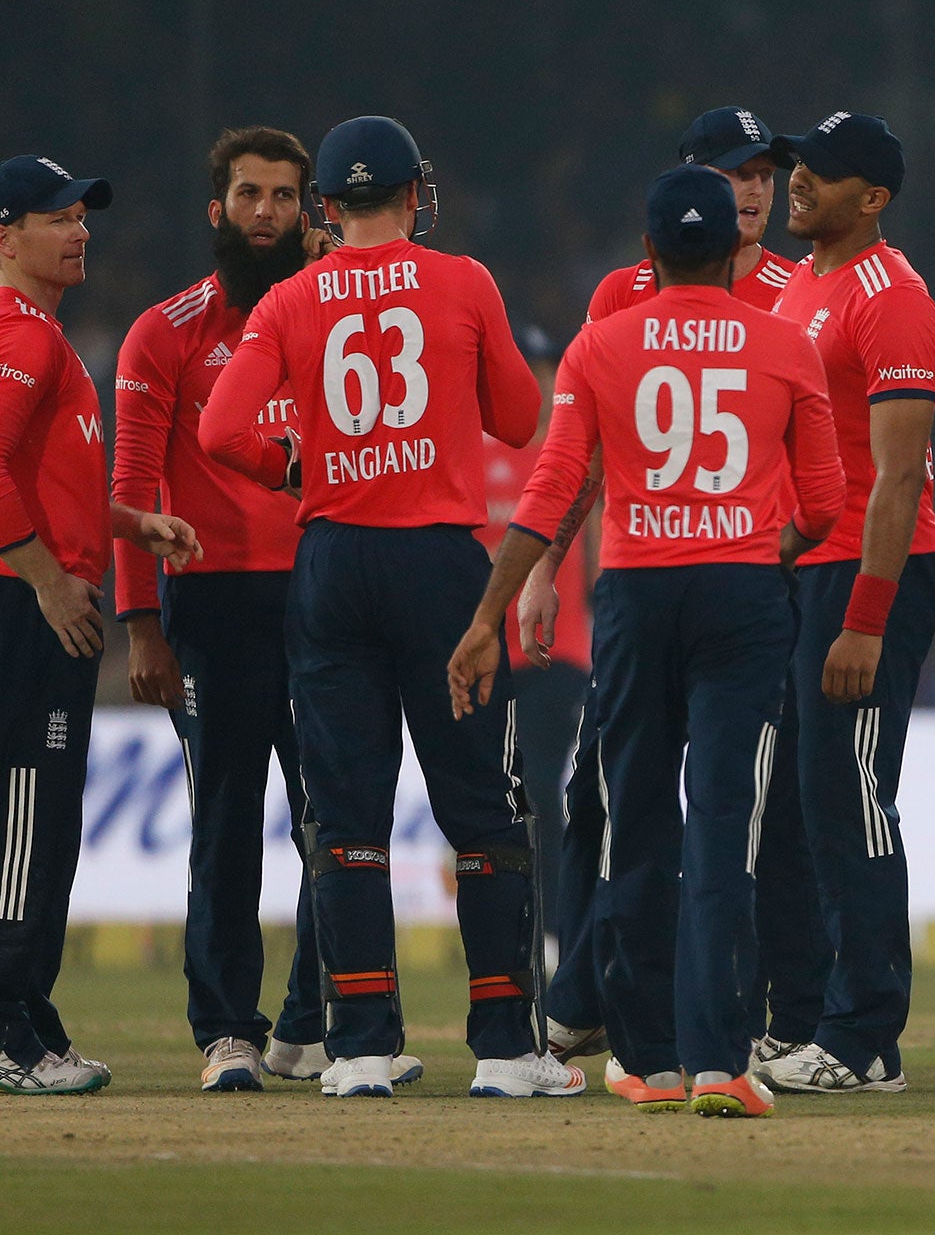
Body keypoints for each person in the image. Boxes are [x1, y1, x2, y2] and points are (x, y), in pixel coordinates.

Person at [449, 165, 842, 1117]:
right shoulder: (787, 344)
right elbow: (827, 507)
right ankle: (719, 1061)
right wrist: (761, 552)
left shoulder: (598, 346)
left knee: (635, 822)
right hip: (743, 597)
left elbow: (548, 495)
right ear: (734, 250)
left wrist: (486, 616)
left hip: (634, 593)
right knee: (721, 829)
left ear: (652, 250)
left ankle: (648, 1061)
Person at [198, 116, 572, 1100]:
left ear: (322, 207)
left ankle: (360, 1046)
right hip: (438, 566)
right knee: (484, 809)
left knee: (346, 814)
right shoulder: (463, 281)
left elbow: (220, 428)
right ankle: (502, 1048)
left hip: (331, 560)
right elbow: (520, 420)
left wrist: (296, 465)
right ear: (416, 195)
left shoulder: (288, 300)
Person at [111, 127, 391, 1093]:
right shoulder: (165, 332)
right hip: (216, 606)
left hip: (324, 593)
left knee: (336, 817)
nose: (264, 211)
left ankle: (312, 1025)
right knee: (226, 823)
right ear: (216, 209)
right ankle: (226, 1029)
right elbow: (135, 486)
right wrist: (142, 624)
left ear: (311, 208)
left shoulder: (336, 318)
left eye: (282, 195)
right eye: (248, 194)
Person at [521, 107, 797, 1071]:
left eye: (767, 172)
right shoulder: (619, 297)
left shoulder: (795, 294)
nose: (755, 188)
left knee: (738, 810)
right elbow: (590, 459)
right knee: (613, 803)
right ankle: (594, 998)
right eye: (736, 173)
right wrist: (554, 565)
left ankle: (742, 1016)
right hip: (677, 583)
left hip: (722, 580)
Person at [751, 112, 935, 1096]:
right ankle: (818, 1016)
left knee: (853, 799)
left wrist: (864, 618)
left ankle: (867, 1038)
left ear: (872, 198)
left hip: (872, 574)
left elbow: (900, 477)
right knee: (801, 808)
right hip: (804, 569)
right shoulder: (800, 286)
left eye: (820, 177)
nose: (797, 186)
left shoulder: (892, 299)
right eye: (799, 169)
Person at [0, 154, 200, 1094]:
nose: (81, 231)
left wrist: (129, 523)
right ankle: (9, 1027)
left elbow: (52, 481)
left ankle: (29, 1015)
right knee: (28, 813)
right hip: (28, 609)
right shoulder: (18, 333)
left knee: (46, 815)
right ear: (7, 234)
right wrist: (42, 577)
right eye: (57, 217)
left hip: (46, 601)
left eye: (83, 216)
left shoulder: (42, 334)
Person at [480, 325, 591, 948]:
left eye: (548, 370)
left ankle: (548, 931)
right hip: (492, 653)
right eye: (533, 370)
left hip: (556, 651)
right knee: (506, 793)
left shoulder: (568, 451)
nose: (543, 382)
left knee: (542, 786)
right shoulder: (474, 451)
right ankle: (518, 927)